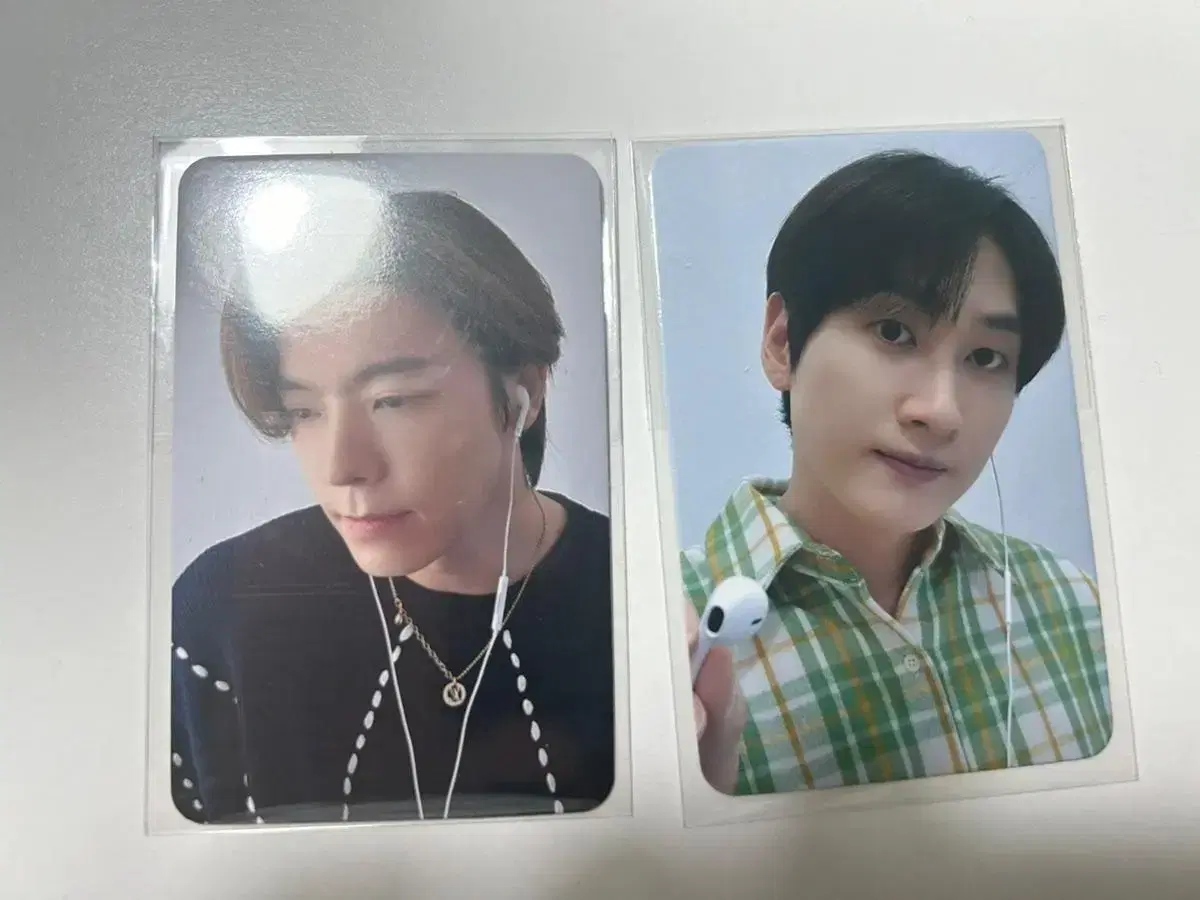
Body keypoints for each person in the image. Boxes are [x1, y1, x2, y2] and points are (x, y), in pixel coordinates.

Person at [170, 183, 614, 824]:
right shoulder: (224, 606)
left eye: (393, 400)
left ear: (524, 391)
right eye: (304, 411)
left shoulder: (638, 595)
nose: (342, 467)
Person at [685, 150, 1112, 796]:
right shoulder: (663, 638)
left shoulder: (1072, 605)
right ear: (782, 342)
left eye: (986, 358)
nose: (941, 412)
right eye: (893, 331)